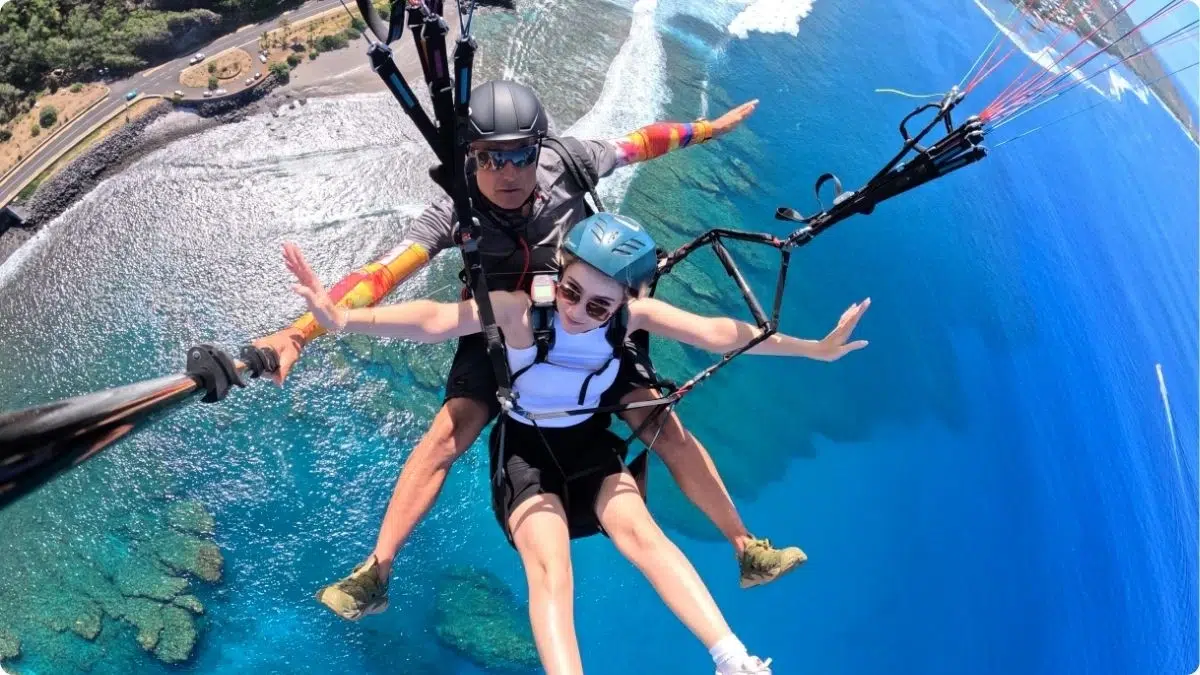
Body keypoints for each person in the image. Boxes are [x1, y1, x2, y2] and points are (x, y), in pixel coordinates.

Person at [253, 81, 806, 621]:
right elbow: (386, 272)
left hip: (589, 313)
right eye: (490, 158)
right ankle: (378, 570)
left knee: (661, 425)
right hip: (503, 328)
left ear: (538, 148)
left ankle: (744, 547)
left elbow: (640, 143)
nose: (507, 172)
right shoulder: (455, 211)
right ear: (471, 157)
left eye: (519, 155)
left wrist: (711, 128)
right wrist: (301, 332)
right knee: (450, 430)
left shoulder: (569, 161)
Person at [283, 212, 871, 675]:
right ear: (556, 278)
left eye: (599, 305)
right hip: (524, 455)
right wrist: (343, 320)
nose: (580, 313)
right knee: (551, 569)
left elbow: (719, 334)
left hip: (589, 444)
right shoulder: (518, 312)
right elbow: (437, 319)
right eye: (569, 293)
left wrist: (811, 349)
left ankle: (732, 658)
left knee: (644, 535)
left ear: (623, 303)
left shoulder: (629, 317)